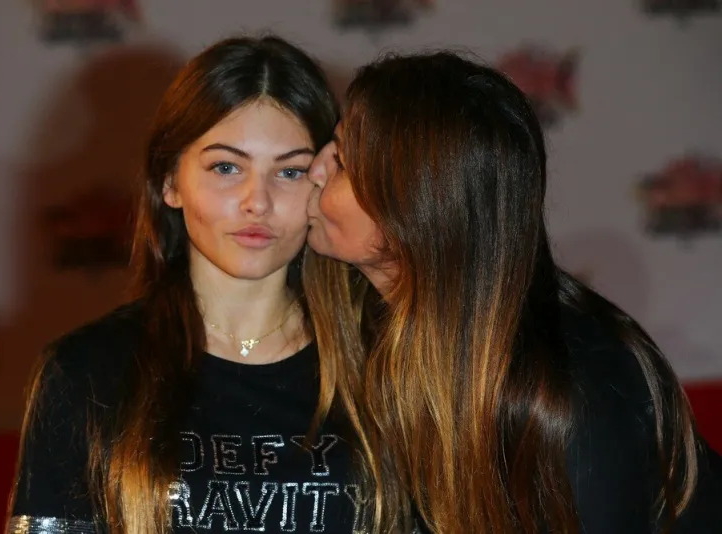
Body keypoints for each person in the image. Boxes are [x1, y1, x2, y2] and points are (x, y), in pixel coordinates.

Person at [305, 51, 722, 533]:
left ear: (413, 207)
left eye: (341, 162)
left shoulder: (570, 384)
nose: (315, 169)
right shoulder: (386, 327)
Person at [6, 35, 369, 534]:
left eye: (290, 171)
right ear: (170, 182)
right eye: (226, 167)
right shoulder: (85, 370)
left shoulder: (379, 362)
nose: (257, 201)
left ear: (324, 181)